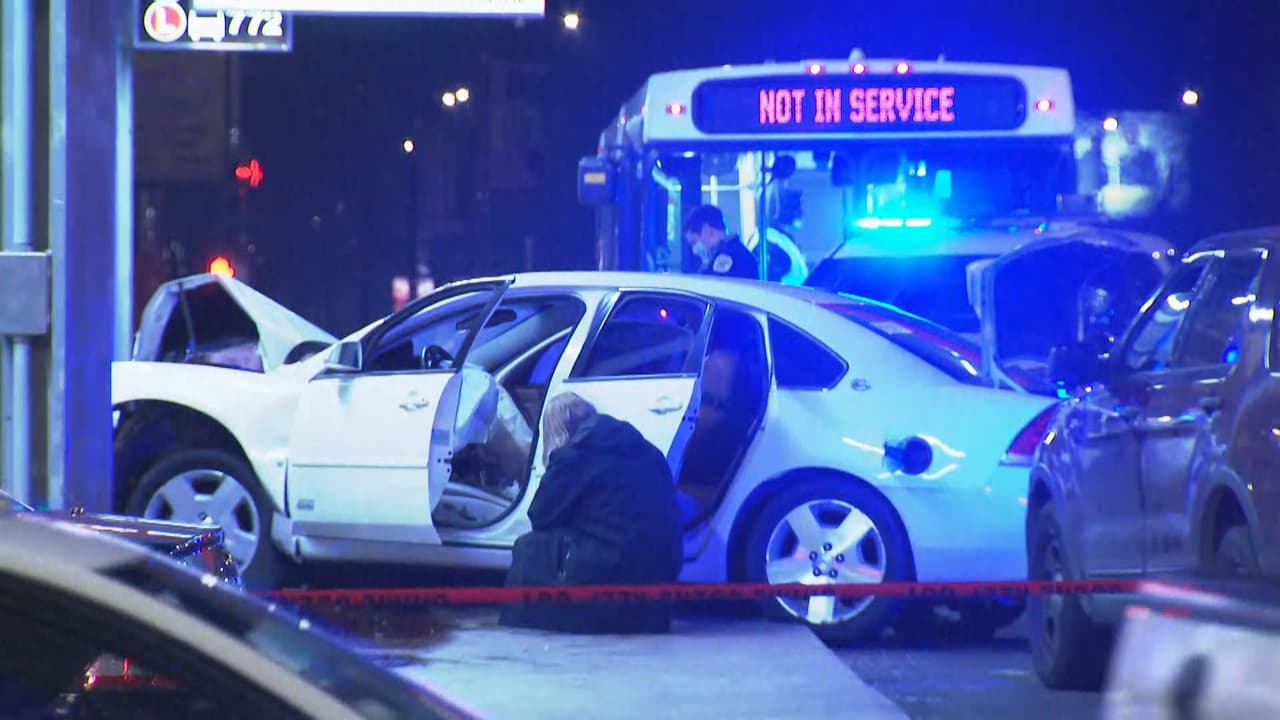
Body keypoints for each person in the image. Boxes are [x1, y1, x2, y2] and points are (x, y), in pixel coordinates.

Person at [499, 393, 683, 634]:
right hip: (662, 569)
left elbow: (540, 517)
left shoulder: (574, 455)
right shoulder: (646, 450)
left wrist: (554, 462)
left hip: (614, 565)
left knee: (529, 548)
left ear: (558, 431)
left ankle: (526, 625)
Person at [682, 204, 759, 280]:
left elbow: (709, 287)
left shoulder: (727, 258)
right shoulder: (739, 253)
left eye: (694, 242)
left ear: (707, 230)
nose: (694, 250)